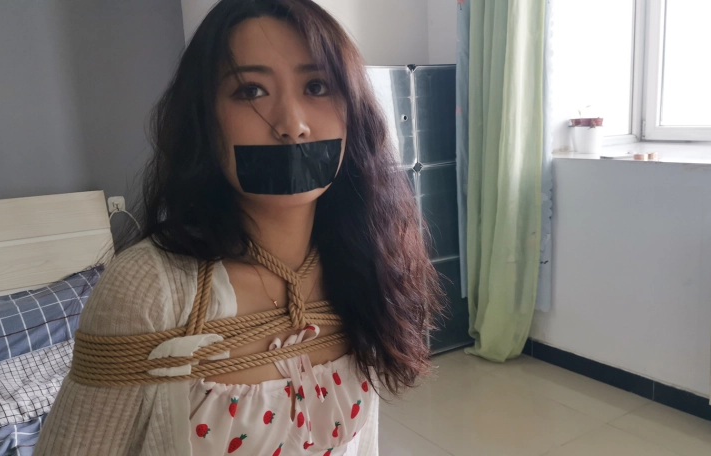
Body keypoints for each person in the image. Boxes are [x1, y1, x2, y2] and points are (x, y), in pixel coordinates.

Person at [35, 0, 443, 454]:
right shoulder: (148, 289)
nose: (292, 126)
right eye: (251, 90)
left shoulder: (362, 263)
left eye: (317, 86)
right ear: (205, 121)